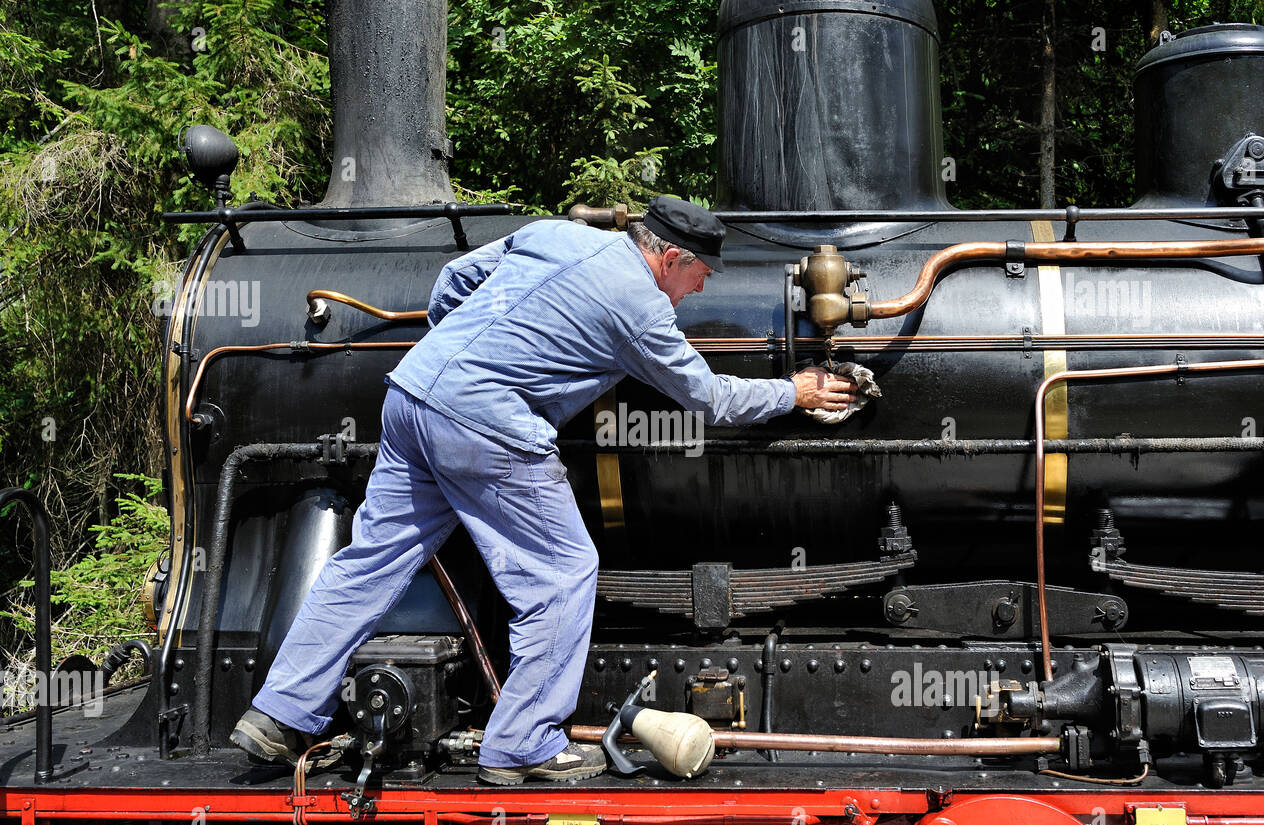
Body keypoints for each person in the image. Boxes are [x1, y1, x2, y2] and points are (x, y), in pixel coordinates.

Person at [231, 196, 857, 784]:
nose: (701, 288)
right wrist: (793, 392)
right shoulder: (638, 306)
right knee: (563, 572)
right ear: (670, 258)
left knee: (371, 562)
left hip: (413, 394)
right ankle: (523, 742)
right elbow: (710, 398)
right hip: (488, 429)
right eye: (701, 276)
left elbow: (453, 279)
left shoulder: (555, 233)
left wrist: (468, 358)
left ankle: (279, 712)